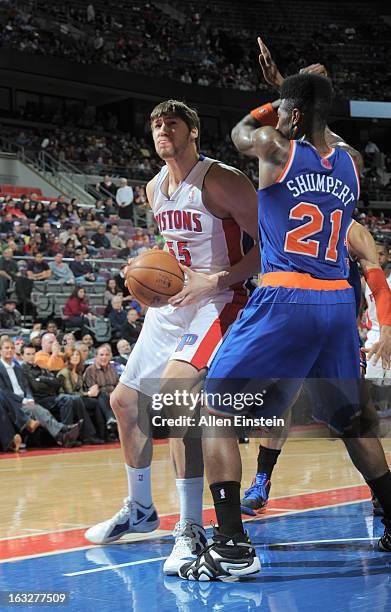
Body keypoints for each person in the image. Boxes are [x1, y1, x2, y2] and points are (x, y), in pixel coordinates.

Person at [177, 40, 391, 582]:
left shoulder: (276, 148)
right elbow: (320, 124)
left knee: (216, 409)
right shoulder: (351, 162)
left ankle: (229, 545)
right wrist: (294, 92)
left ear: (290, 115)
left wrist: (277, 97)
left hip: (285, 298)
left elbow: (239, 133)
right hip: (337, 304)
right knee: (352, 419)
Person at [84, 99, 260, 577]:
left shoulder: (222, 180)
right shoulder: (154, 188)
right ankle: (140, 508)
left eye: (172, 123)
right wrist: (144, 273)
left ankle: (191, 528)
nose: (162, 129)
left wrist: (215, 280)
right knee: (124, 402)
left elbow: (270, 248)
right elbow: (173, 251)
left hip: (221, 299)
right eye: (157, 124)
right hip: (175, 304)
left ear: (194, 131)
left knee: (176, 394)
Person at [364, 242, 391, 408]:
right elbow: (361, 308)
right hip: (374, 332)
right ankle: (374, 412)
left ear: (388, 256)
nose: (379, 257)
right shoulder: (364, 280)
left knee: (388, 378)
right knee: (371, 375)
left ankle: (386, 412)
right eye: (376, 253)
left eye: (382, 254)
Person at [57, 350, 105, 443]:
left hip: (78, 397)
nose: (75, 357)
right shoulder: (64, 372)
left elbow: (80, 390)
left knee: (97, 401)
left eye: (77, 355)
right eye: (73, 355)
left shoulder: (78, 373)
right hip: (67, 399)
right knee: (79, 400)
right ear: (68, 358)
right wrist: (88, 394)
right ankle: (88, 435)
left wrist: (91, 391)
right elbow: (69, 392)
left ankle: (103, 433)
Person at [83, 344, 118, 440]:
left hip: (114, 394)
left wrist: (115, 393)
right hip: (98, 395)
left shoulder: (113, 368)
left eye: (107, 355)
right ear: (96, 357)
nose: (104, 357)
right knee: (102, 395)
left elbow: (117, 384)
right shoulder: (91, 370)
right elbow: (93, 389)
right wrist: (110, 394)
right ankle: (110, 420)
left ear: (110, 356)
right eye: (101, 355)